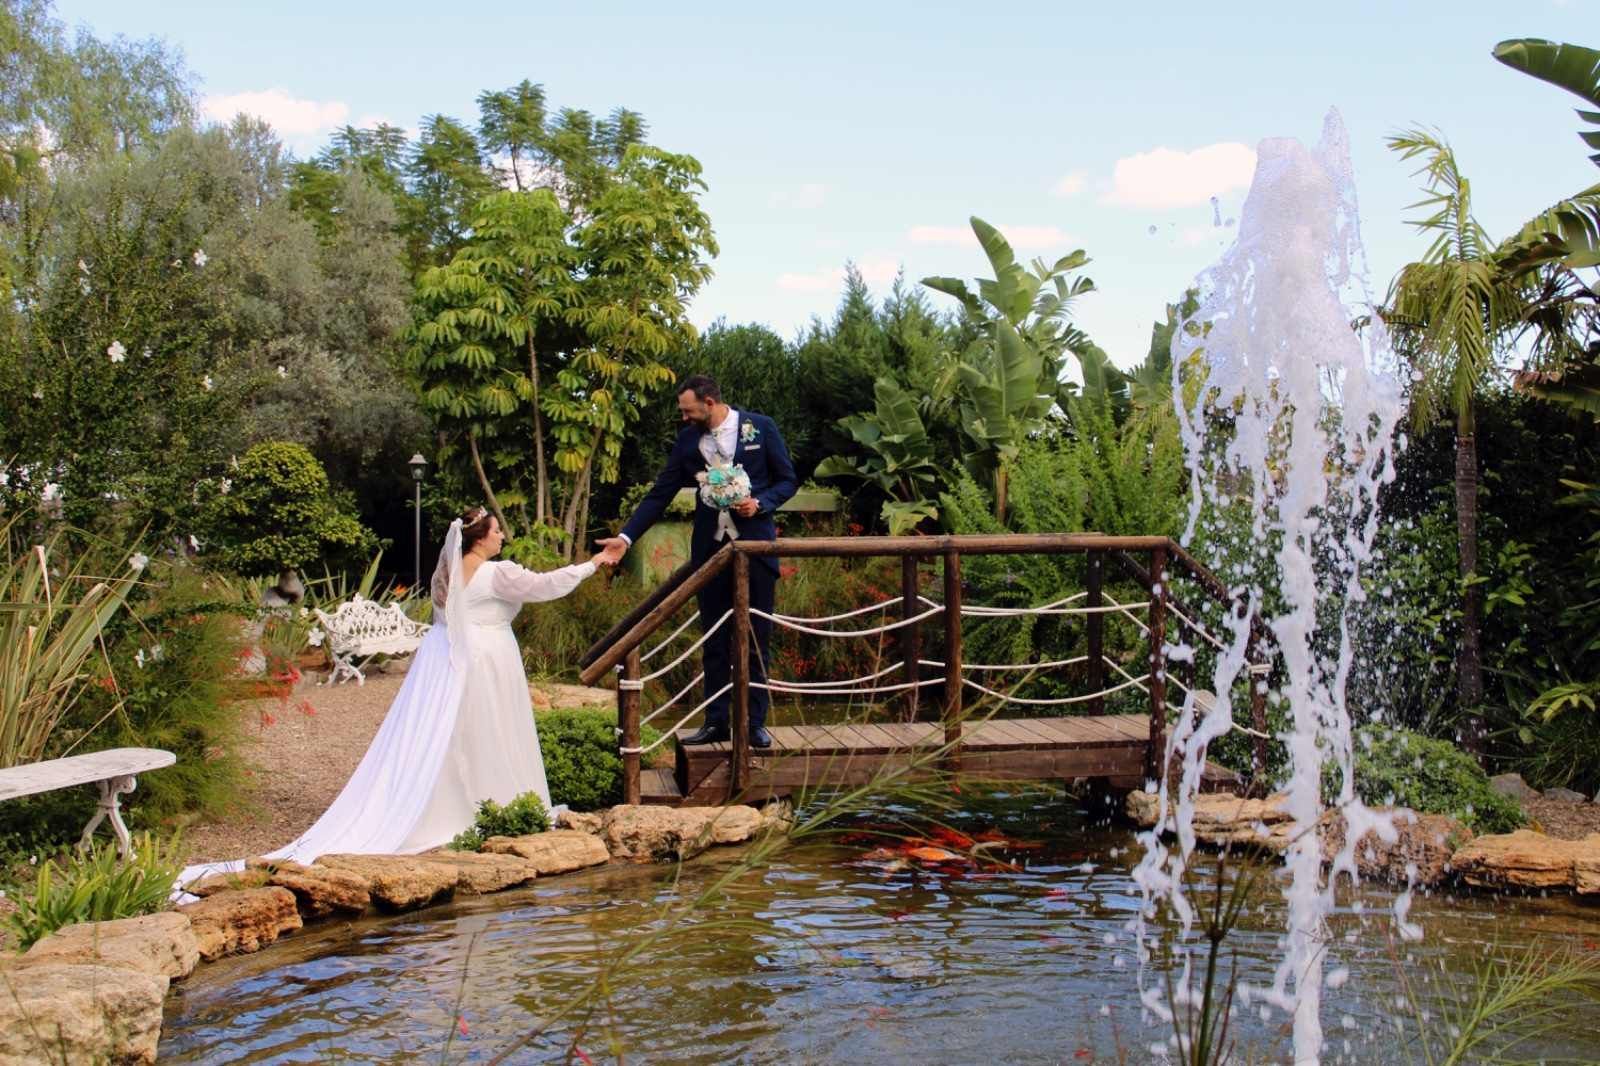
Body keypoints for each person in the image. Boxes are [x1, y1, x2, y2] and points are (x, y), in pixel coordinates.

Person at [178, 507, 621, 893]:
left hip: (449, 659)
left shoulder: (446, 574)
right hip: (488, 658)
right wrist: (593, 564)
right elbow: (546, 585)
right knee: (493, 729)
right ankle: (492, 802)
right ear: (480, 538)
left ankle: (458, 801)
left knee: (451, 733)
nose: (502, 536)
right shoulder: (497, 573)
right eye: (496, 531)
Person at [598, 374, 798, 749]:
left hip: (754, 549)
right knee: (714, 640)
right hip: (710, 553)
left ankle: (754, 723)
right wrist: (625, 539)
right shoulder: (688, 441)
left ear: (709, 403)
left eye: (688, 411)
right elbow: (660, 494)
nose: (684, 418)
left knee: (756, 638)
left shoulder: (761, 427)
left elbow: (788, 481)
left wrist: (761, 504)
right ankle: (716, 721)